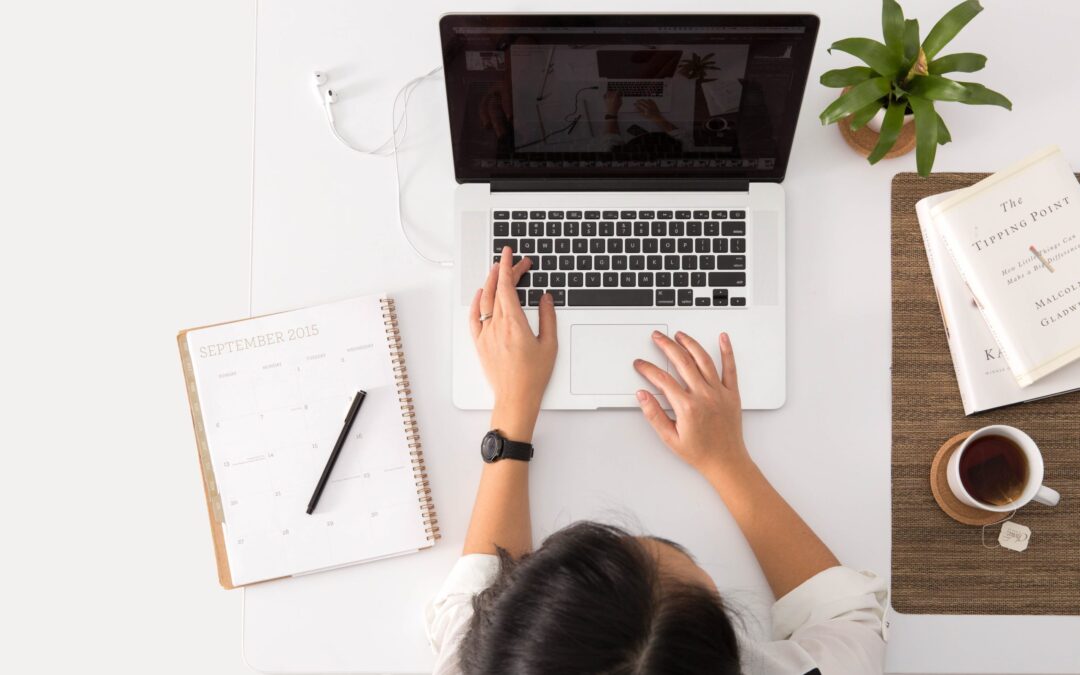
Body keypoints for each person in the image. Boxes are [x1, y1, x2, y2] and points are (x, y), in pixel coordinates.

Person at [425, 248, 888, 674]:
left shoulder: (478, 660)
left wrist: (514, 400)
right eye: (706, 591)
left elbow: (471, 602)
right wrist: (729, 462)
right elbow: (850, 619)